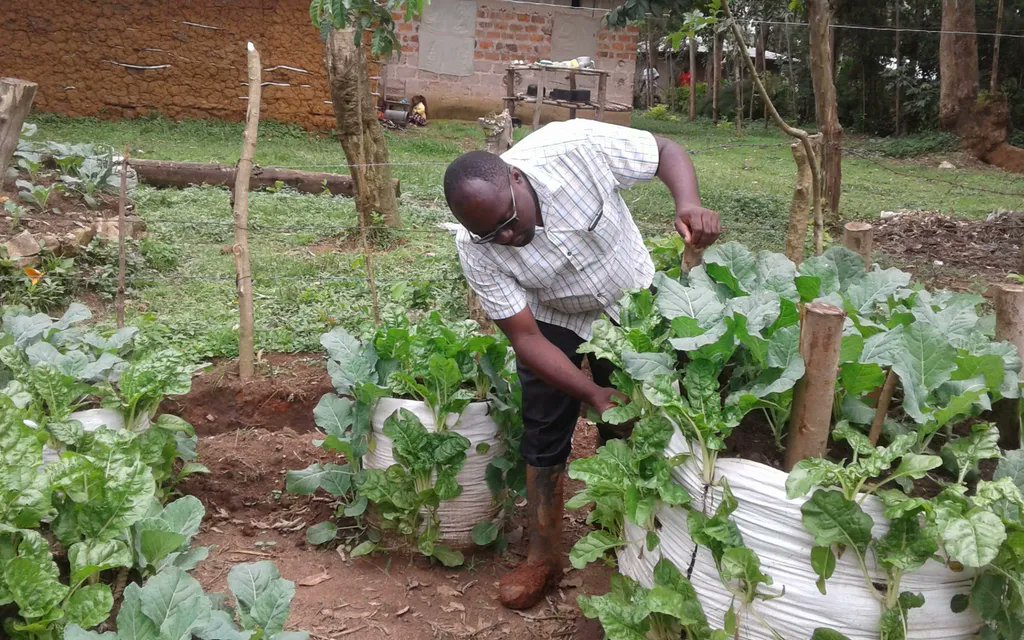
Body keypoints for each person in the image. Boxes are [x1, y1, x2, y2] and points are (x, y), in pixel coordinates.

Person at [442, 118, 721, 610]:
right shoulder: (476, 250)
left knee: (633, 425)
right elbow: (526, 338)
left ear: (516, 177)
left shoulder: (573, 147)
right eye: (490, 234)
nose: (507, 237)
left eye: (509, 220)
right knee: (543, 431)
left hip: (629, 300)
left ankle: (626, 535)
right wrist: (590, 394)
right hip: (554, 321)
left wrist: (689, 204)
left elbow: (664, 150)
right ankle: (543, 557)